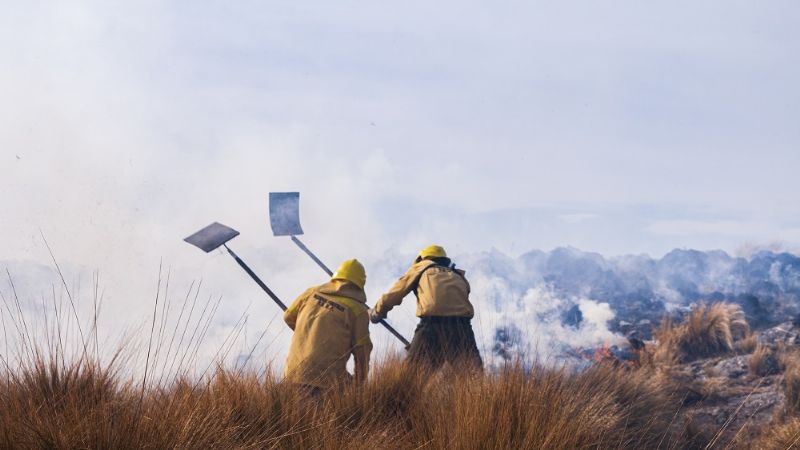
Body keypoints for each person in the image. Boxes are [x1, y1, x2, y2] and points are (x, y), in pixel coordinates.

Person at [370, 245, 482, 370]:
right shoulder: (457, 275)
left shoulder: (422, 267)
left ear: (423, 258)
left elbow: (395, 293)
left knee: (411, 378)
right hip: (463, 329)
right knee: (472, 377)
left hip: (431, 328)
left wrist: (377, 312)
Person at [283, 259, 372, 395]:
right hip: (326, 383)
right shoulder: (357, 311)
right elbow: (362, 352)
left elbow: (288, 317)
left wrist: (310, 333)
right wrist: (360, 383)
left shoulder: (311, 293)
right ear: (360, 285)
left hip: (293, 373)